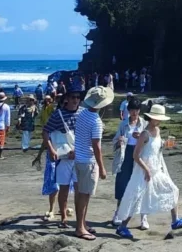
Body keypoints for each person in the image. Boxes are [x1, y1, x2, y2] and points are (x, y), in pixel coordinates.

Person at [115, 104, 182, 239]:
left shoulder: (157, 130)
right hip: (144, 170)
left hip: (155, 169)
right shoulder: (144, 134)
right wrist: (146, 170)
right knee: (136, 198)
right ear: (151, 118)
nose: (160, 121)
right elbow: (136, 156)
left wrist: (166, 144)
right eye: (158, 118)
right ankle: (122, 227)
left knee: (172, 189)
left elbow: (156, 147)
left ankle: (175, 221)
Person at [72, 86, 112, 240]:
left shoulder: (82, 113)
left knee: (82, 194)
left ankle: (82, 224)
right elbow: (96, 146)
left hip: (79, 159)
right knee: (84, 195)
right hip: (88, 161)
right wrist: (102, 167)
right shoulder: (96, 121)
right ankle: (80, 228)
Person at [42, 90, 83, 229]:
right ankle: (64, 218)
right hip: (63, 157)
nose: (75, 100)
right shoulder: (58, 114)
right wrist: (51, 149)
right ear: (67, 99)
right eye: (73, 97)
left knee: (79, 189)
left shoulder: (83, 113)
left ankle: (79, 220)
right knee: (63, 188)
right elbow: (45, 131)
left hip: (79, 156)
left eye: (78, 97)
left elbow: (88, 134)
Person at [111, 97, 148, 228]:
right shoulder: (123, 124)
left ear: (139, 111)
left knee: (141, 185)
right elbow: (114, 142)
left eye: (136, 110)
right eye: (132, 110)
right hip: (125, 154)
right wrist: (119, 140)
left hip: (139, 155)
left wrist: (141, 139)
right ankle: (118, 213)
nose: (134, 113)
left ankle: (144, 217)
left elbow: (149, 141)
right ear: (128, 110)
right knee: (122, 183)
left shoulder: (144, 124)